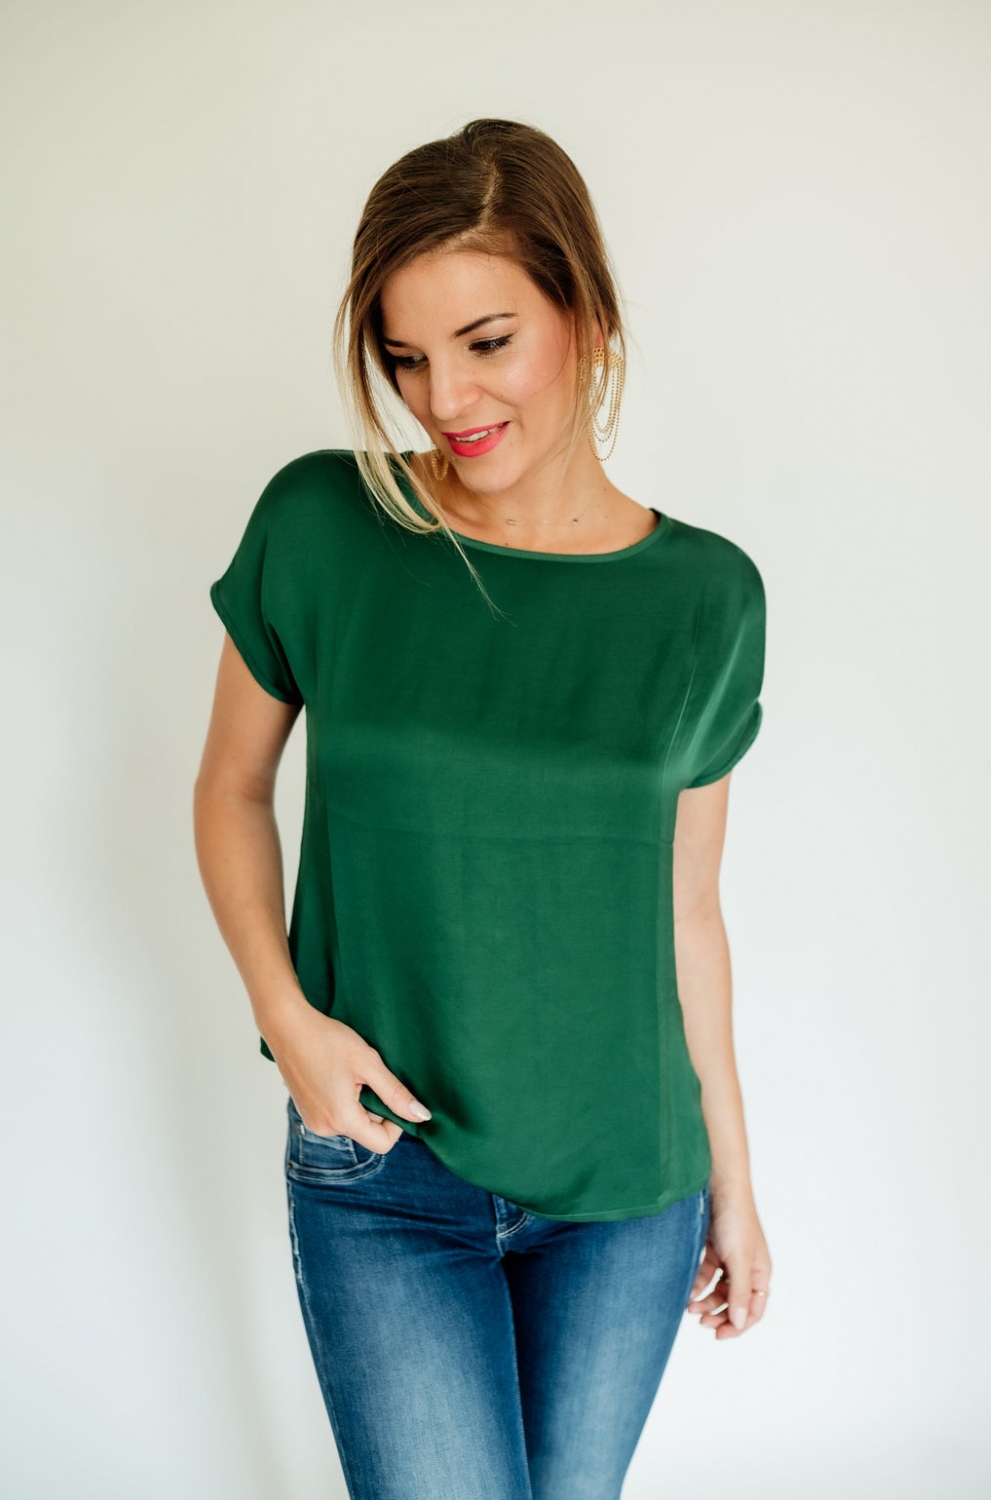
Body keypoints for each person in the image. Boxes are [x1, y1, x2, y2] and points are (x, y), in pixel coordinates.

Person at [194, 117, 772, 1500]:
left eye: (486, 341)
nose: (441, 396)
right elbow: (229, 787)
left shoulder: (705, 598)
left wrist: (735, 1182)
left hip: (627, 1190)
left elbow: (688, 913)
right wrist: (287, 1021)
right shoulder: (323, 524)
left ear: (587, 315)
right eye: (404, 356)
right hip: (385, 1176)